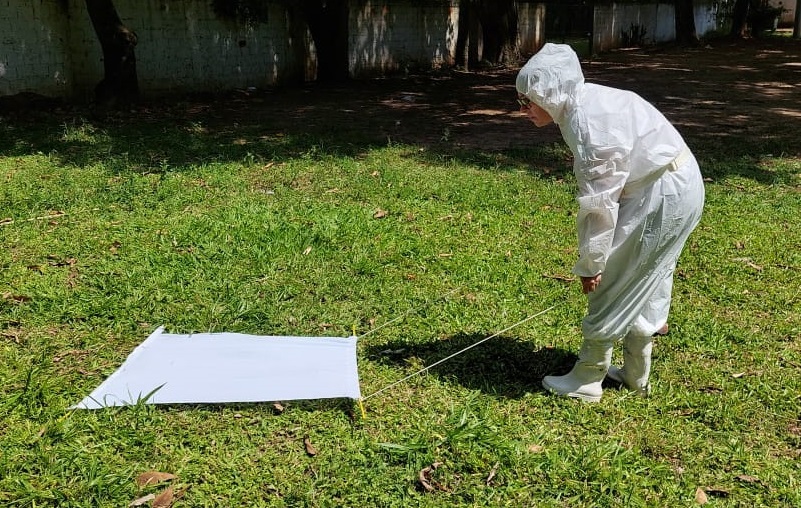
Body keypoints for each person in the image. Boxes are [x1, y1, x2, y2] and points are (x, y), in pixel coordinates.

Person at [515, 43, 704, 402]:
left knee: (615, 279)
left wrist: (591, 264)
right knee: (647, 275)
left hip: (664, 192)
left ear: (550, 93)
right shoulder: (583, 103)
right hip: (672, 182)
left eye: (528, 100)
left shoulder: (590, 126)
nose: (524, 109)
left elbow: (600, 205)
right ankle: (636, 375)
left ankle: (588, 377)